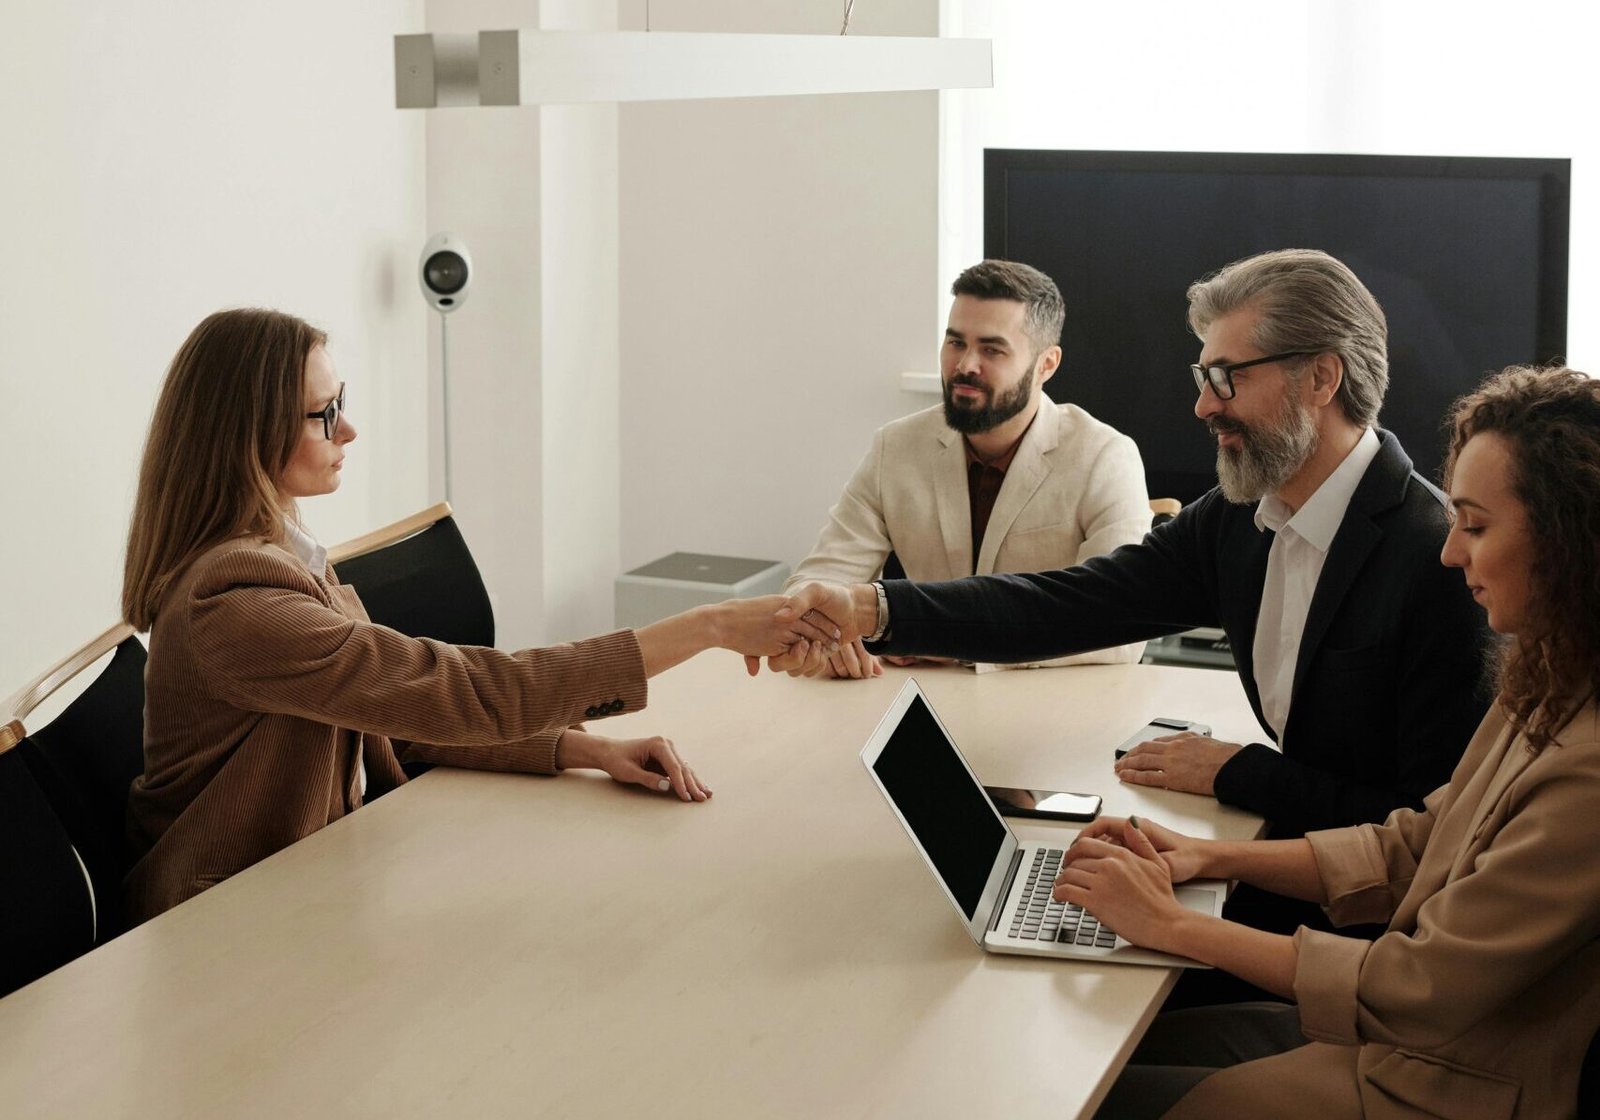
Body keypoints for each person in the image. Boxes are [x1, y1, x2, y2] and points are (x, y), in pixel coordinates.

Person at [779, 249, 1494, 976]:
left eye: (1225, 378)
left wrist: (1238, 772)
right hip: (1287, 873)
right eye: (1201, 377)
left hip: (1366, 943)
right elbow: (1071, 603)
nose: (1203, 405)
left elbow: (1425, 831)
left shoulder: (1440, 561)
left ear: (1321, 378)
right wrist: (876, 608)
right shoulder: (1240, 520)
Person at [121, 309, 835, 924]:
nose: (351, 432)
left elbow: (395, 716)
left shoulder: (282, 552)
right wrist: (706, 626)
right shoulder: (236, 602)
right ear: (248, 432)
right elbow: (455, 691)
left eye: (342, 403)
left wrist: (583, 750)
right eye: (325, 414)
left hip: (324, 878)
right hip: (225, 926)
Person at [1058, 365, 1600, 1119]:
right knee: (1100, 1054)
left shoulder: (1588, 774)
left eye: (1474, 526)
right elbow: (1413, 844)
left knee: (1087, 1097)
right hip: (1409, 1048)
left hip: (1449, 1084)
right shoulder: (1549, 677)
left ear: (1571, 541)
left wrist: (1174, 924)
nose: (1449, 552)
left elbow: (1418, 991)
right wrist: (1208, 858)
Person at [783, 260, 1150, 678]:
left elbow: (1124, 627)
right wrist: (827, 631)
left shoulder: (1104, 456)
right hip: (916, 703)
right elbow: (813, 582)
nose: (965, 365)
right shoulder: (896, 446)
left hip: (1051, 708)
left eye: (992, 349)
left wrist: (953, 640)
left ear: (1047, 365)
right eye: (956, 343)